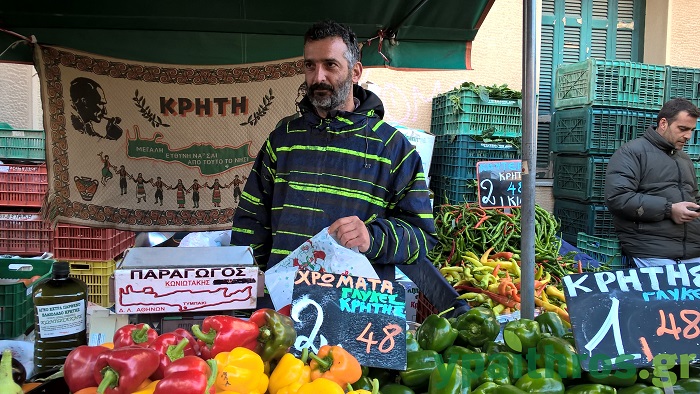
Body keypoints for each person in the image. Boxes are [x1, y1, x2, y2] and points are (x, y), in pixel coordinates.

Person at [231, 20, 437, 280]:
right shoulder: (283, 140)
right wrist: (252, 281)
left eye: (330, 65)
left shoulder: (393, 148)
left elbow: (422, 236)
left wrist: (372, 238)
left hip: (354, 309)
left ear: (355, 72)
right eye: (310, 65)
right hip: (281, 304)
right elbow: (250, 221)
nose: (318, 77)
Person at [605, 97, 700, 267]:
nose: (688, 136)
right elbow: (618, 198)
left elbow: (693, 198)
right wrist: (669, 210)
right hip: (651, 252)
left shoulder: (685, 159)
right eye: (683, 129)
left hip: (692, 252)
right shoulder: (631, 153)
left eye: (692, 130)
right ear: (663, 123)